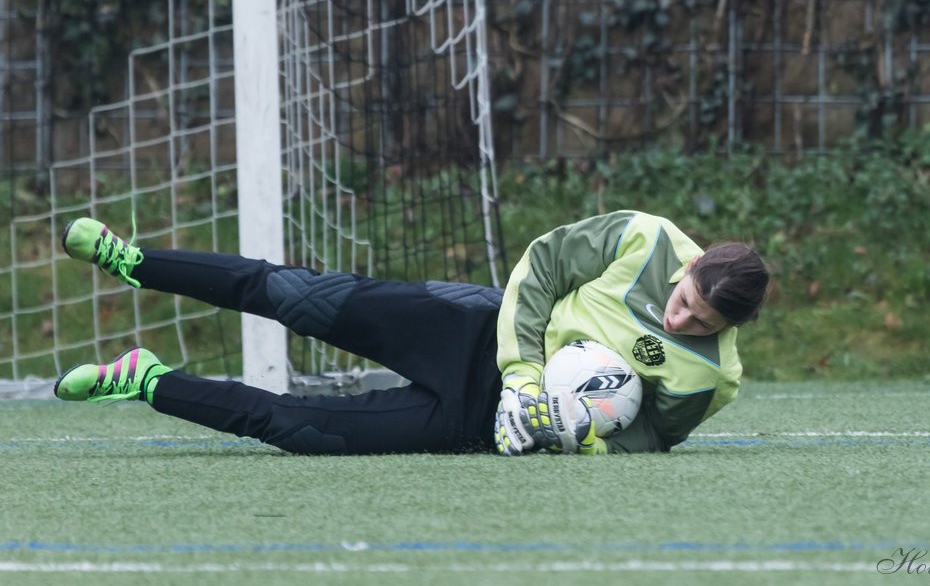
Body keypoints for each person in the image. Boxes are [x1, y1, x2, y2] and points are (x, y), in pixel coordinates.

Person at [52, 210, 768, 456]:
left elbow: (650, 439)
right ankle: (134, 260)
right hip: (469, 329)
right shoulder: (644, 239)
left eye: (700, 324)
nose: (680, 319)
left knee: (291, 427)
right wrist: (524, 375)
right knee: (291, 294)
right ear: (693, 263)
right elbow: (540, 271)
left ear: (730, 329)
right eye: (684, 300)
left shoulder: (714, 379)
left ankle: (147, 381)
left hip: (476, 420)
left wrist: (563, 431)